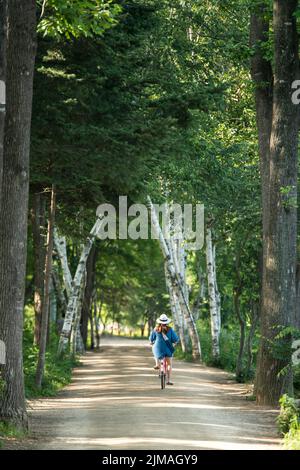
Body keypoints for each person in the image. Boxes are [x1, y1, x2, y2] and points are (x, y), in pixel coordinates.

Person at [149, 314, 179, 385]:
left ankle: (157, 364)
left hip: (158, 350)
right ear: (167, 322)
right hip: (168, 349)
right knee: (169, 364)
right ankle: (168, 380)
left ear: (159, 322)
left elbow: (151, 339)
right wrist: (174, 343)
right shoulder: (170, 329)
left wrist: (151, 342)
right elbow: (175, 339)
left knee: (154, 348)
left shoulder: (156, 329)